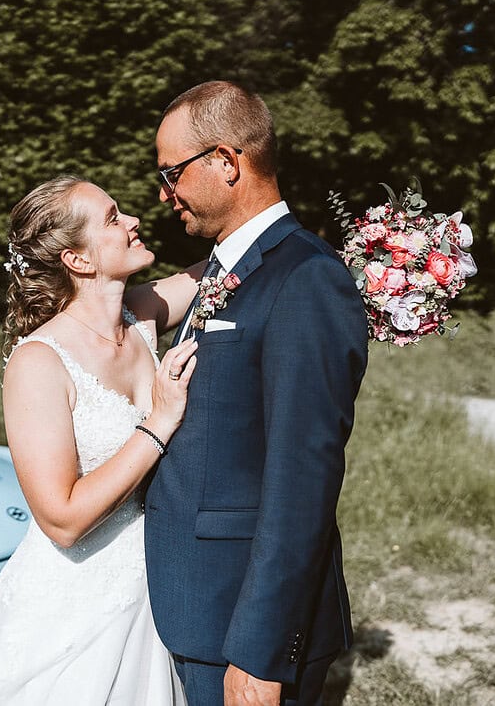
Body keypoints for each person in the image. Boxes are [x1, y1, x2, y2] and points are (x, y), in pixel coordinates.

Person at [144, 81, 369, 705]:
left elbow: (304, 479)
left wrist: (261, 652)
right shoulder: (227, 266)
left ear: (225, 162)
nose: (164, 195)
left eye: (171, 174)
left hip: (241, 629)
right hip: (197, 604)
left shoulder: (306, 280)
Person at [0, 175, 204, 705]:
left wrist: (373, 252)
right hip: (73, 606)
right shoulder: (39, 362)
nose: (134, 220)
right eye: (113, 218)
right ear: (79, 261)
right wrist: (157, 424)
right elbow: (61, 520)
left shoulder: (142, 318)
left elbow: (225, 270)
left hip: (153, 586)